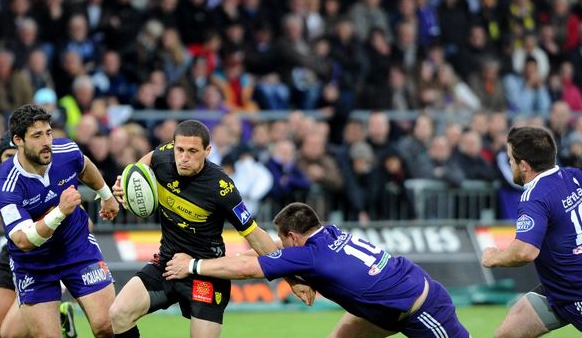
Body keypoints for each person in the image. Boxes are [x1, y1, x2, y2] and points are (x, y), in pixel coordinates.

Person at [109, 120, 313, 338]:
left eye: (192, 151)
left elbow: (254, 236)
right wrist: (129, 181)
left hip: (206, 272)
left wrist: (291, 280)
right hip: (167, 264)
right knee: (118, 313)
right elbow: (144, 164)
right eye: (179, 150)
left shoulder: (221, 188)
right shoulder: (163, 156)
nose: (184, 158)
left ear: (207, 151)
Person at [164, 202, 471, 338]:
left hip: (423, 307)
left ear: (294, 237)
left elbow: (246, 267)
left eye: (283, 240)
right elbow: (295, 256)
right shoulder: (331, 232)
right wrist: (295, 278)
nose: (282, 247)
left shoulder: (307, 256)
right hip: (388, 305)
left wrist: (192, 265)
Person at [0, 104, 120, 338]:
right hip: (34, 263)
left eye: (48, 133)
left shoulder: (66, 150)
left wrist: (107, 196)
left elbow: (84, 165)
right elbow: (23, 240)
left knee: (107, 326)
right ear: (18, 140)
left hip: (76, 247)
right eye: (37, 136)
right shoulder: (5, 185)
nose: (46, 141)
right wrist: (60, 211)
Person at [482, 126, 582, 336]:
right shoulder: (573, 176)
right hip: (557, 287)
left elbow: (525, 251)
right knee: (506, 335)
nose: (510, 164)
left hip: (573, 291)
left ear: (524, 165)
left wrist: (494, 258)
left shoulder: (534, 198)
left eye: (511, 159)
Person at [0, 131, 79, 338]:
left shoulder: (48, 173)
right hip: (14, 251)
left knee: (12, 333)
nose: (13, 160)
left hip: (49, 251)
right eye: (7, 156)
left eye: (16, 154)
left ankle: (57, 315)